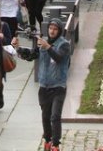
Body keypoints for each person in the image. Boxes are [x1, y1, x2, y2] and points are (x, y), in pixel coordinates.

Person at [36, 17, 72, 151]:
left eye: (55, 29)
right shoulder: (43, 43)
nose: (52, 31)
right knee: (45, 116)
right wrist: (17, 48)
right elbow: (32, 55)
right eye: (50, 28)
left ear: (59, 31)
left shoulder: (64, 44)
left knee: (55, 116)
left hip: (58, 86)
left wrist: (48, 47)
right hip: (44, 86)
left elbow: (58, 58)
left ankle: (56, 144)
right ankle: (48, 140)